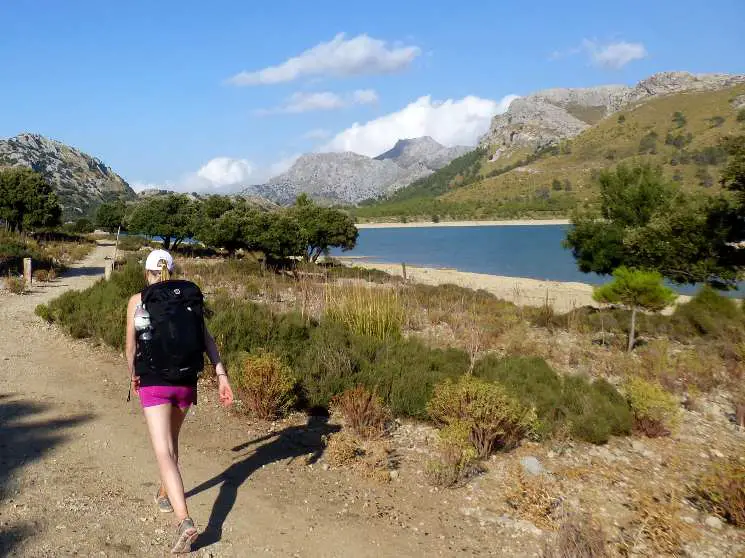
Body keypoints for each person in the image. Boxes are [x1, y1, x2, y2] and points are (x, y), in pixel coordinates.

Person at [126, 249, 234, 554]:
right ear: (173, 270)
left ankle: (184, 521)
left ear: (146, 272)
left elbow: (129, 347)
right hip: (186, 383)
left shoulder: (138, 300)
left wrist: (134, 374)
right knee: (173, 443)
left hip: (154, 383)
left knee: (163, 452)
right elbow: (206, 340)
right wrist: (221, 374)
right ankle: (164, 493)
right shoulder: (188, 298)